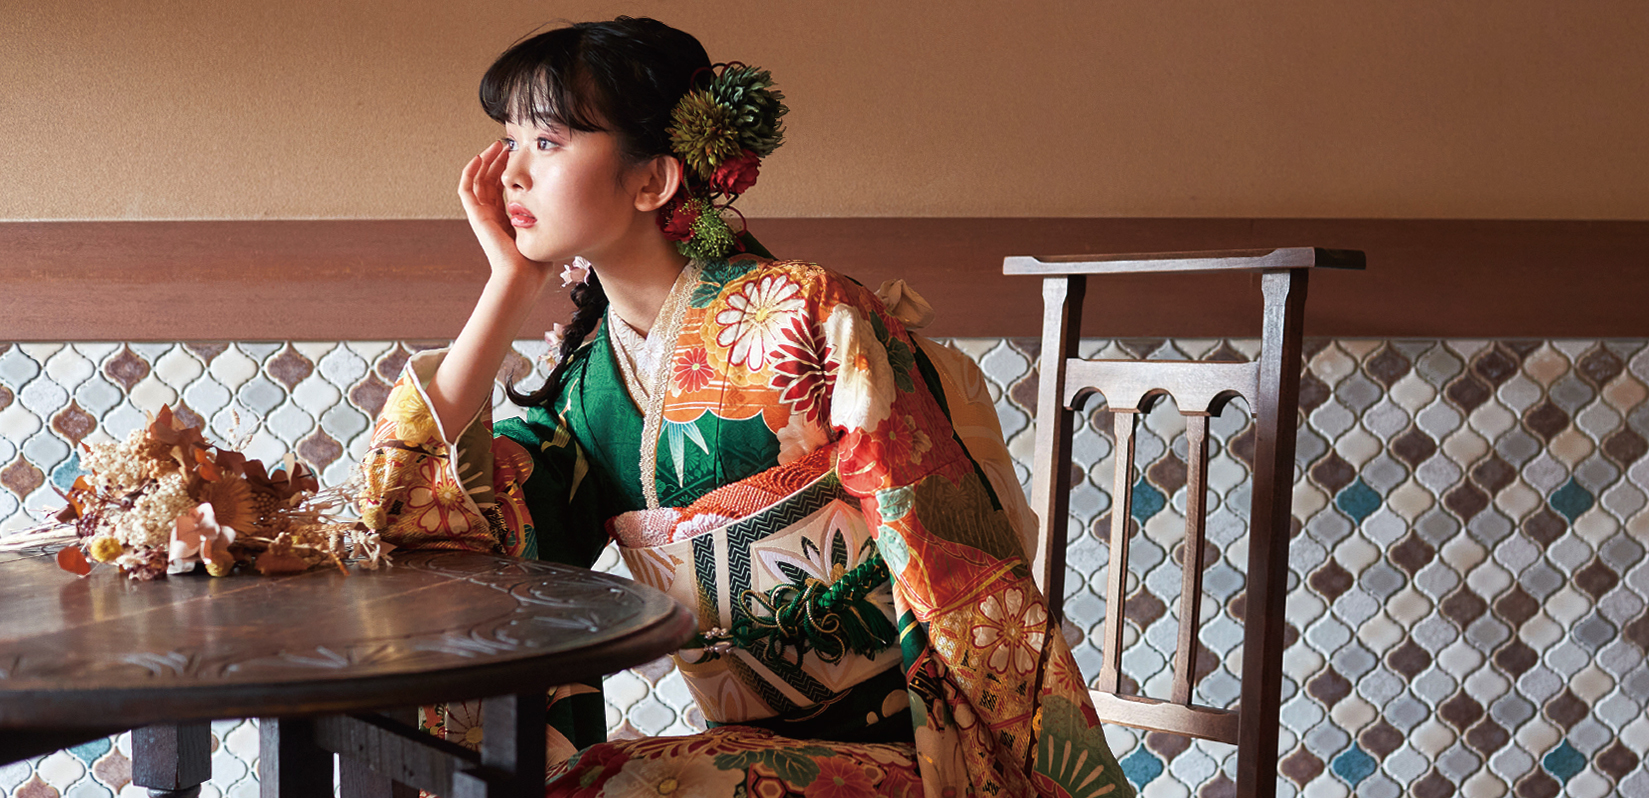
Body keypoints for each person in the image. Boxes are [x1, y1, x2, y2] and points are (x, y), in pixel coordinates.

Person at [356, 16, 1134, 798]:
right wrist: (508, 287)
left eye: (547, 141)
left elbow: (954, 561)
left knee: (614, 791)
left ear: (653, 181)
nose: (510, 173)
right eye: (508, 138)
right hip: (759, 757)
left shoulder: (806, 313)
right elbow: (433, 523)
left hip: (920, 752)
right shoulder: (588, 389)